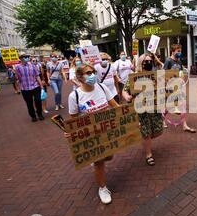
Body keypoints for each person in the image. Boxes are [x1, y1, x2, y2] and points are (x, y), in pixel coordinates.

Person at [68, 63, 120, 204]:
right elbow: (73, 120)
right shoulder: (75, 96)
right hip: (91, 135)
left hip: (107, 131)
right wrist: (71, 133)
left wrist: (128, 118)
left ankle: (97, 163)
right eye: (88, 73)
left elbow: (115, 106)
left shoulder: (102, 87)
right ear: (79, 77)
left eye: (93, 72)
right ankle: (102, 188)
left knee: (109, 156)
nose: (92, 75)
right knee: (99, 161)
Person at [123, 54, 165, 166]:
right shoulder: (134, 77)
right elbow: (125, 90)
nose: (148, 63)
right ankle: (148, 154)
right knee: (146, 133)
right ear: (140, 63)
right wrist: (126, 96)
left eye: (150, 61)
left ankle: (146, 140)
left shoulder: (155, 75)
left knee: (157, 132)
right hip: (141, 109)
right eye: (146, 61)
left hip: (154, 108)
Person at [163, 44, 196, 133]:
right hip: (170, 88)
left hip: (178, 87)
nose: (180, 53)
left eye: (180, 51)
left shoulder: (179, 62)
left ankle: (184, 125)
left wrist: (182, 79)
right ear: (173, 51)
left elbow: (181, 73)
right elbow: (164, 74)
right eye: (178, 51)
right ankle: (162, 118)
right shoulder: (168, 61)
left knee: (182, 105)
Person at [15, 53, 45, 122]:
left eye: (27, 56)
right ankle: (33, 116)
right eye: (25, 57)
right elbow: (18, 78)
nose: (27, 58)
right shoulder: (17, 67)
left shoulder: (33, 66)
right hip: (25, 88)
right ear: (21, 58)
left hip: (35, 86)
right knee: (29, 103)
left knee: (38, 100)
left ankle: (39, 114)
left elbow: (37, 75)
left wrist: (41, 85)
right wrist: (15, 73)